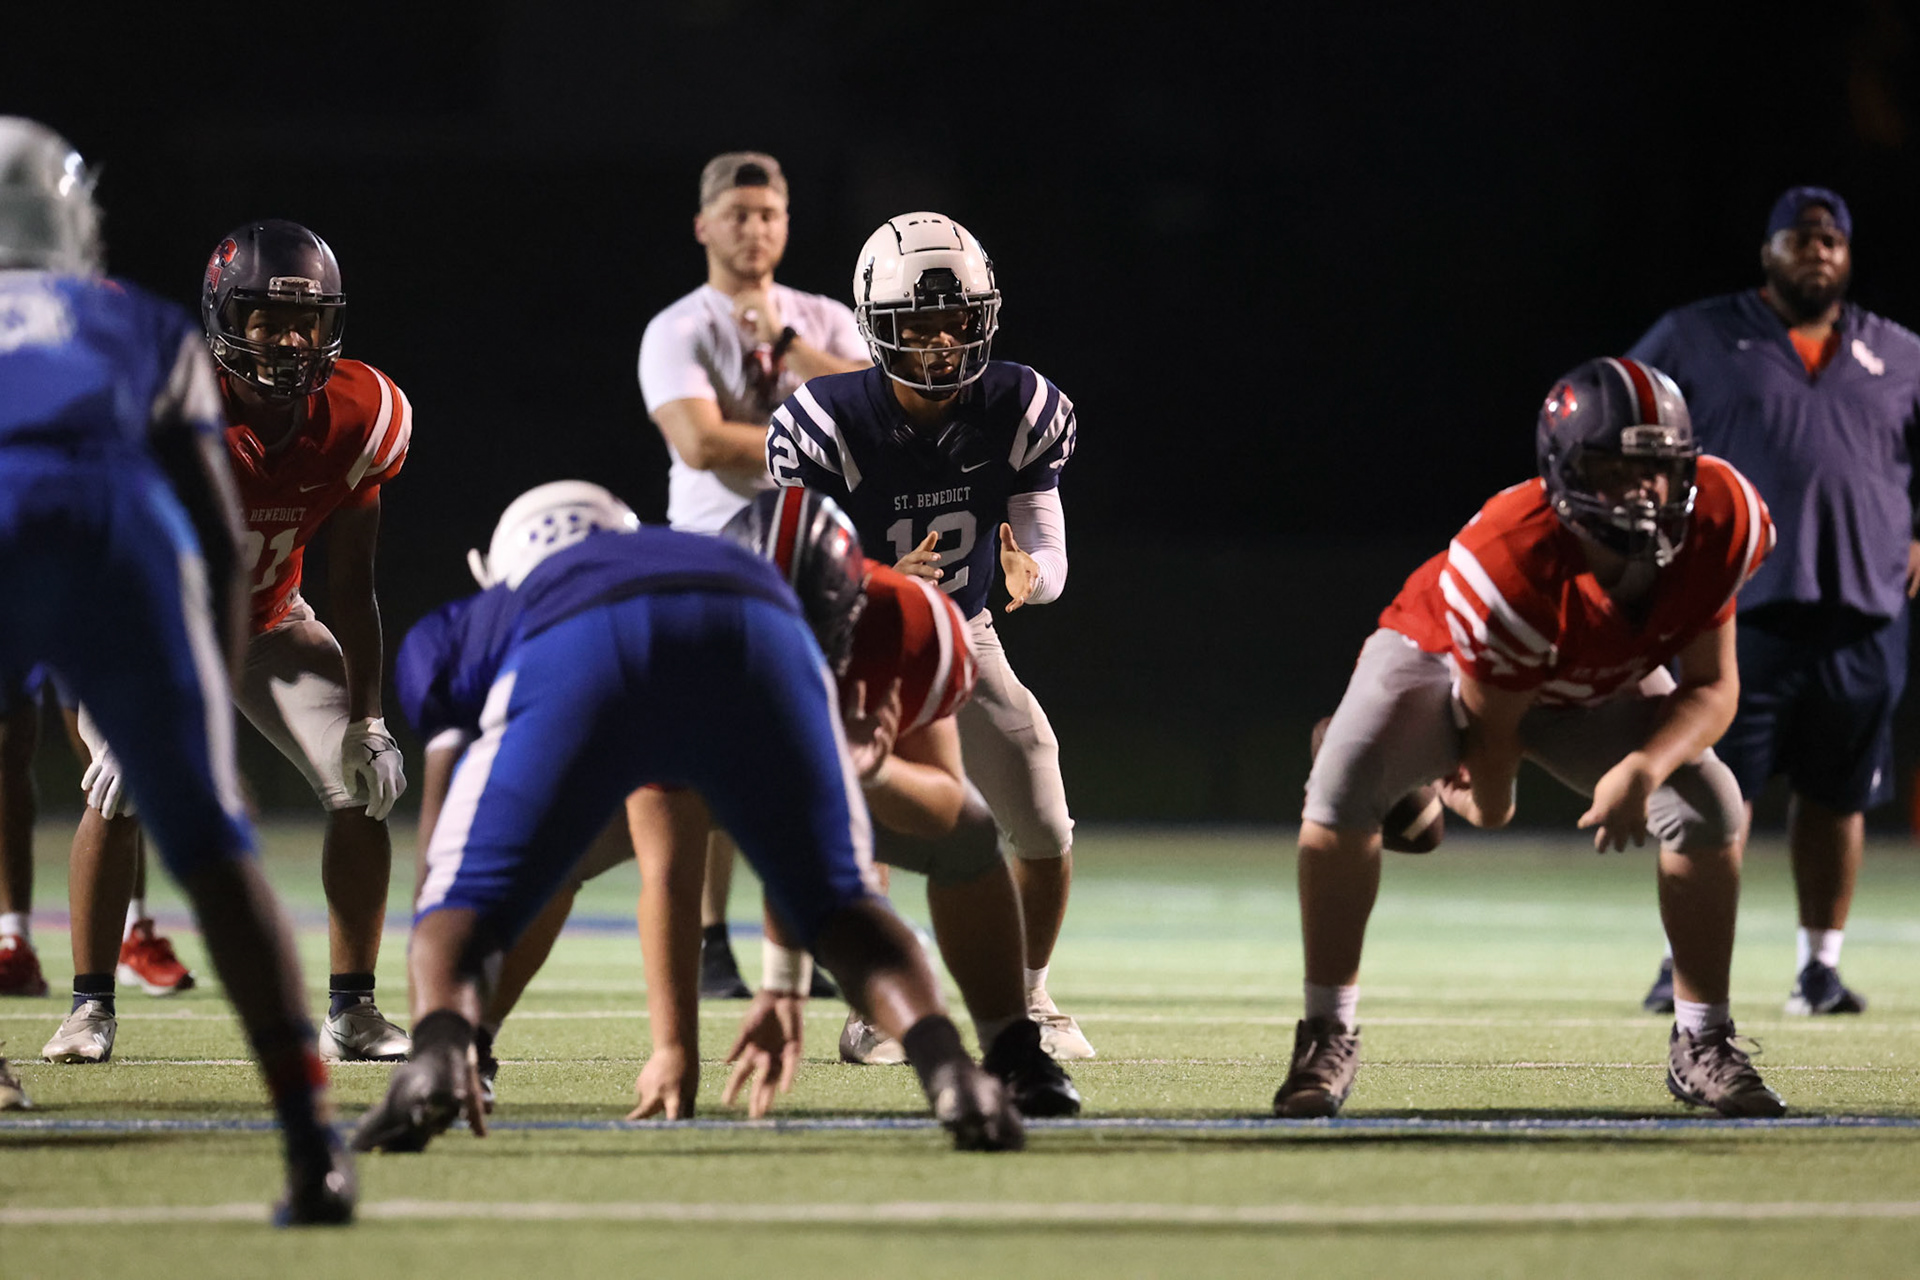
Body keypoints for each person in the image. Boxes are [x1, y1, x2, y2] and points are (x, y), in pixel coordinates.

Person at [353, 482, 1022, 1152]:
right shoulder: (711, 560)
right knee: (844, 907)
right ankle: (951, 1070)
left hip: (586, 644)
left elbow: (450, 856)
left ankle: (444, 1058)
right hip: (762, 629)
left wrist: (440, 996)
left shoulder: (485, 617)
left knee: (463, 899)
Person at [0, 116, 351, 1221]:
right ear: (76, 220)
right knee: (212, 841)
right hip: (122, 529)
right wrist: (192, 693)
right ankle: (310, 1139)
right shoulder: (142, 325)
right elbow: (206, 516)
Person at [1280, 357, 1785, 1120]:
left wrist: (1645, 768)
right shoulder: (1509, 556)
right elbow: (1493, 728)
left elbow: (1715, 687)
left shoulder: (1724, 515)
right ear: (1564, 472)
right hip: (1445, 656)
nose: (1642, 490)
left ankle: (1703, 1042)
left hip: (1588, 680)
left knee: (1710, 803)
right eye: (1615, 468)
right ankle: (1327, 1029)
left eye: (1657, 467)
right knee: (1344, 782)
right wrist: (1485, 802)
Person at [41, 220, 412, 1065]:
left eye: (306, 322)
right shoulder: (160, 409)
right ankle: (88, 1008)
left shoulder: (361, 414)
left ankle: (352, 1010)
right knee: (119, 785)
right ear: (222, 319)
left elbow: (353, 583)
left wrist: (371, 718)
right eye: (264, 320)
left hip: (270, 619)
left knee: (363, 786)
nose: (287, 339)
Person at [766, 211, 1091, 1059]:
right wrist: (872, 580)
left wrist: (1035, 579)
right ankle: (879, 1003)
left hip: (966, 630)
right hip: (849, 640)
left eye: (957, 321)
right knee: (871, 813)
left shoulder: (1020, 404)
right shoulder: (824, 424)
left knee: (1040, 807)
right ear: (880, 326)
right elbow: (792, 568)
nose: (944, 343)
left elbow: (1043, 543)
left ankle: (1029, 998)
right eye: (921, 324)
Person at [1628, 187, 1920, 1017]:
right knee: (1715, 793)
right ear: (1768, 252)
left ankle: (1817, 970)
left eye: (1832, 240)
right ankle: (1677, 962)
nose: (1817, 251)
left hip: (1862, 613)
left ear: (1850, 256)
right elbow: (1621, 421)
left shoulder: (1897, 352)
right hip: (1739, 610)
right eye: (1800, 238)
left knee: (1838, 798)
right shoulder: (1698, 335)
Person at [638, 151, 870, 999]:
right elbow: (700, 444)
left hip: (814, 558)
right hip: (714, 561)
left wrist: (785, 348)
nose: (755, 228)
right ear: (704, 226)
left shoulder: (821, 318)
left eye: (768, 213)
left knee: (825, 747)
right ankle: (707, 942)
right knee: (710, 758)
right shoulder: (677, 327)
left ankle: (816, 933)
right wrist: (823, 437)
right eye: (738, 215)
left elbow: (881, 406)